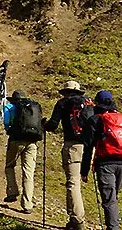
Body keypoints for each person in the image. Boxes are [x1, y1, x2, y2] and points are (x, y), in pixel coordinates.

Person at [81, 90, 122, 230]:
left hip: (106, 164)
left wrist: (84, 170)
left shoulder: (95, 119)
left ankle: (113, 227)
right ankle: (113, 225)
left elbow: (88, 146)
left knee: (109, 200)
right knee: (112, 198)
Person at [44, 80, 91, 230]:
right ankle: (73, 218)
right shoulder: (88, 103)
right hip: (90, 147)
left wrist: (43, 124)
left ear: (65, 92)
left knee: (73, 182)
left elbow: (53, 125)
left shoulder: (63, 103)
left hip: (73, 146)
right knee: (76, 183)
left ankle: (78, 220)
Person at [3, 90, 43, 214]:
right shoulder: (33, 107)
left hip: (16, 140)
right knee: (28, 172)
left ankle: (12, 191)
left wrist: (10, 130)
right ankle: (27, 204)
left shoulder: (9, 107)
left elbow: (6, 123)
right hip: (32, 142)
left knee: (10, 165)